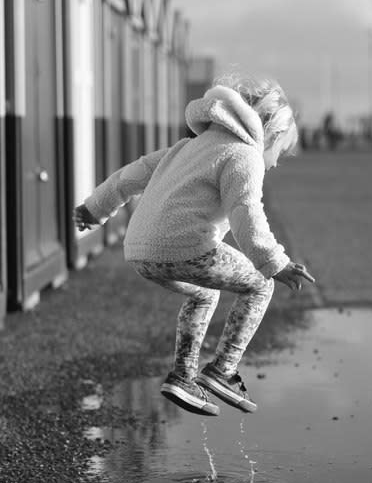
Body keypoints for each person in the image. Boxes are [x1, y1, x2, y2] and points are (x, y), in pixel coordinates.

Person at [74, 75, 315, 417]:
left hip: (141, 250)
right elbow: (246, 214)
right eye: (280, 152)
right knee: (260, 286)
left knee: (204, 293)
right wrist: (276, 263)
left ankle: (184, 377)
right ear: (270, 134)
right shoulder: (243, 155)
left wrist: (94, 208)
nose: (275, 162)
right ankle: (223, 370)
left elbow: (134, 174)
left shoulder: (187, 147)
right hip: (186, 248)